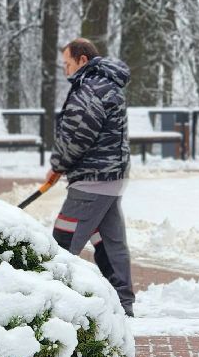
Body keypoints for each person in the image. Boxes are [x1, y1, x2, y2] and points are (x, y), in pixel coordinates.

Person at [43, 39, 135, 316]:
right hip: (110, 177)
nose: (65, 70)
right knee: (109, 242)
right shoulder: (106, 84)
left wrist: (58, 165)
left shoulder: (90, 88)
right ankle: (123, 305)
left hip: (92, 179)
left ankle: (51, 304)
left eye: (68, 64)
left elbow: (76, 136)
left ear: (82, 60)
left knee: (61, 244)